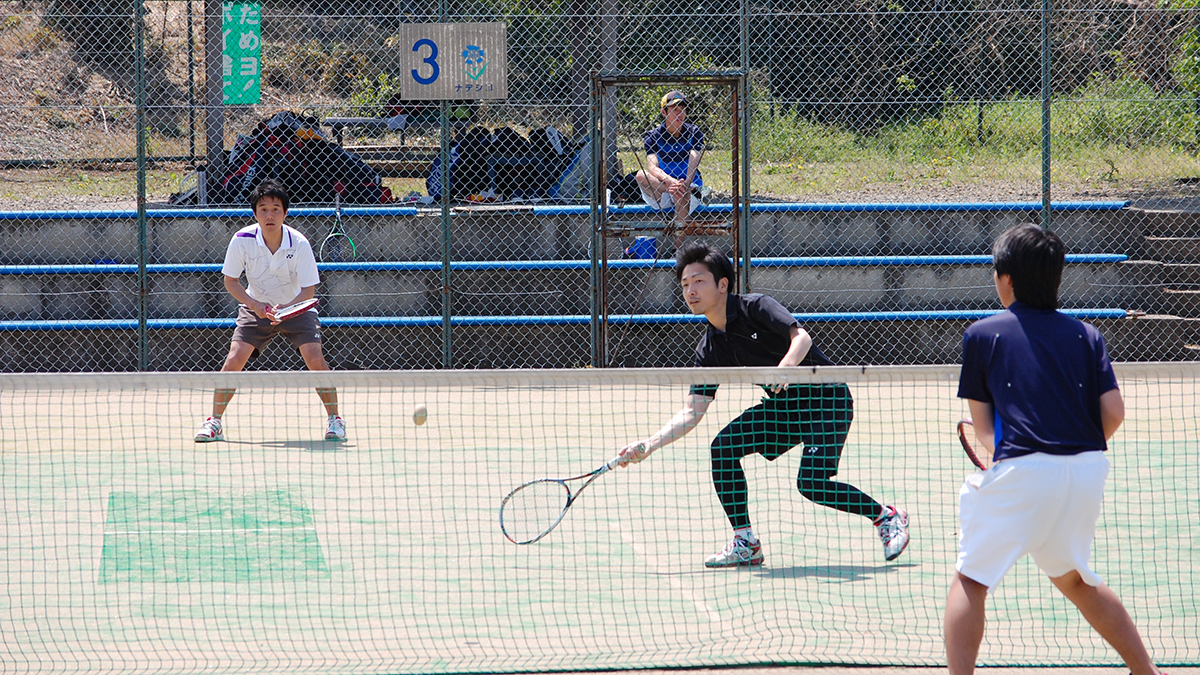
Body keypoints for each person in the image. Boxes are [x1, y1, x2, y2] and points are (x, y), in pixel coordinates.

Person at [945, 223, 1163, 675]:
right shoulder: (1088, 335)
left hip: (1024, 470)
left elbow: (985, 429)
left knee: (971, 578)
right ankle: (1148, 672)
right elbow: (1114, 412)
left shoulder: (982, 335)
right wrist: (1072, 446)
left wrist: (1016, 458)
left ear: (1005, 279)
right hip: (1086, 471)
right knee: (1077, 580)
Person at [617, 243, 910, 568]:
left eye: (698, 281)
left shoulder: (756, 307)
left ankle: (886, 516)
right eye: (685, 284)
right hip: (784, 409)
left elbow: (802, 338)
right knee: (723, 448)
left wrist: (784, 368)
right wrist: (649, 444)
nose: (690, 290)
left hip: (826, 400)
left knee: (811, 483)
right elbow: (692, 411)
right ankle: (746, 542)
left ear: (722, 284)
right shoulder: (710, 348)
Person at [194, 179, 346, 443]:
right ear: (255, 214)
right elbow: (230, 281)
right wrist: (256, 306)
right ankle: (214, 422)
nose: (269, 215)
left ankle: (335, 419)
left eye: (276, 209)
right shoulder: (241, 240)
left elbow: (308, 290)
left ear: (285, 213)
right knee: (233, 361)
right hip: (256, 308)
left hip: (296, 308)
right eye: (263, 209)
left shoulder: (298, 243)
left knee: (315, 359)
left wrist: (286, 309)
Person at [634, 90, 705, 226]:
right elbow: (652, 167)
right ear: (664, 112)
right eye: (675, 110)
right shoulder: (653, 136)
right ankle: (677, 190)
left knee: (682, 195)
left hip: (689, 187)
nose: (680, 114)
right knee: (640, 175)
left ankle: (678, 247)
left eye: (683, 110)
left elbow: (694, 161)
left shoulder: (694, 132)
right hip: (664, 188)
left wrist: (684, 184)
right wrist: (671, 182)